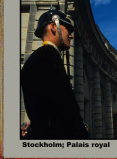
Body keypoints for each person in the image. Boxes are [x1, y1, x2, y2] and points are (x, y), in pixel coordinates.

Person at [21, 7, 88, 139]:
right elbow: (64, 109)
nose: (71, 35)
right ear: (53, 26)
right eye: (67, 29)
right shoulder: (48, 58)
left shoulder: (42, 57)